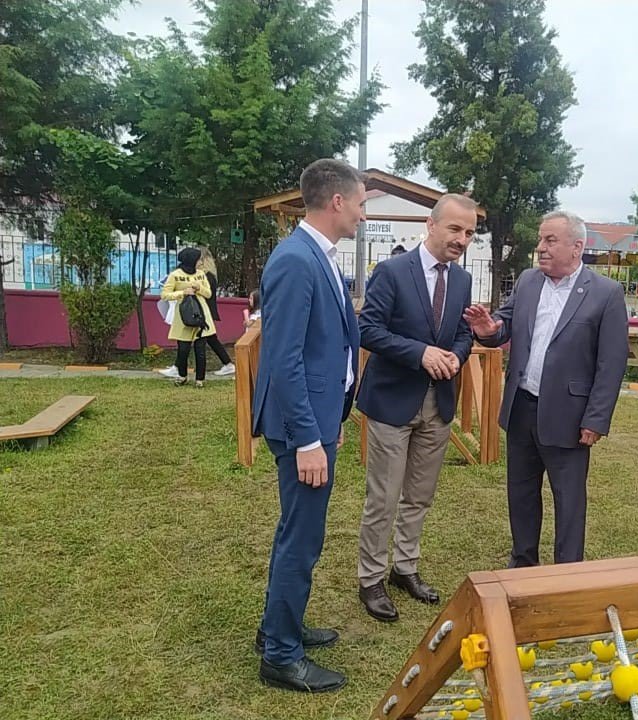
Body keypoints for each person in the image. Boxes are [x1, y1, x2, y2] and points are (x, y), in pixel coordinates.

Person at [251, 158, 363, 693]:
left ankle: (280, 626)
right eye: (361, 204)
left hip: (317, 420)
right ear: (337, 201)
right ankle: (280, 655)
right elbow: (285, 358)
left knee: (296, 532)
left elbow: (329, 347)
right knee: (302, 540)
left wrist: (332, 417)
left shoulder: (317, 255)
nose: (364, 215)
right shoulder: (297, 259)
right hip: (302, 431)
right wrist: (308, 439)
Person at [464, 210, 629, 567]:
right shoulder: (527, 281)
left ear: (577, 247)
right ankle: (523, 561)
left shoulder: (606, 294)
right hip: (522, 407)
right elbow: (504, 325)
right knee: (520, 492)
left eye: (550, 240)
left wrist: (596, 419)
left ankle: (566, 570)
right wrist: (489, 329)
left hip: (569, 416)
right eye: (540, 239)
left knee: (568, 498)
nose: (540, 247)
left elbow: (611, 363)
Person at [354, 194, 476, 622]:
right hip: (392, 401)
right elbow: (367, 329)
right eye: (455, 229)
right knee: (384, 496)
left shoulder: (461, 281)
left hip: (438, 403)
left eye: (469, 233)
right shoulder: (391, 271)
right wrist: (420, 353)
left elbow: (464, 333)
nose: (462, 239)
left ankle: (405, 568)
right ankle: (370, 578)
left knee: (419, 496)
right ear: (431, 224)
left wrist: (458, 356)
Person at [160, 248, 217, 387]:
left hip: (201, 315)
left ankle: (200, 379)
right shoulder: (175, 275)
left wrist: (199, 289)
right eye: (197, 259)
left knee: (200, 349)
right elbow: (164, 294)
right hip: (184, 316)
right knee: (183, 349)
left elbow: (209, 294)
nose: (199, 262)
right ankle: (182, 376)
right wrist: (182, 292)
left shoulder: (201, 275)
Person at [196, 247, 236, 376]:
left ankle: (227, 364)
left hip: (205, 312)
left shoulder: (206, 276)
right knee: (212, 339)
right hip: (206, 311)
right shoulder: (209, 275)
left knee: (204, 339)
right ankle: (228, 364)